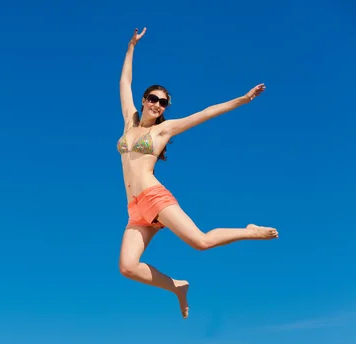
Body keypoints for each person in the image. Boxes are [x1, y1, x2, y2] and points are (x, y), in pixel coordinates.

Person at [117, 27, 278, 319]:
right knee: (127, 266)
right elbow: (125, 82)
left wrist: (241, 100)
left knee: (200, 242)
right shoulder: (130, 123)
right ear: (144, 99)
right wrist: (131, 48)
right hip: (135, 208)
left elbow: (205, 113)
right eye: (153, 98)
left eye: (163, 102)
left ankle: (249, 231)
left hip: (153, 196)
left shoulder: (163, 129)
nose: (157, 104)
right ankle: (177, 287)